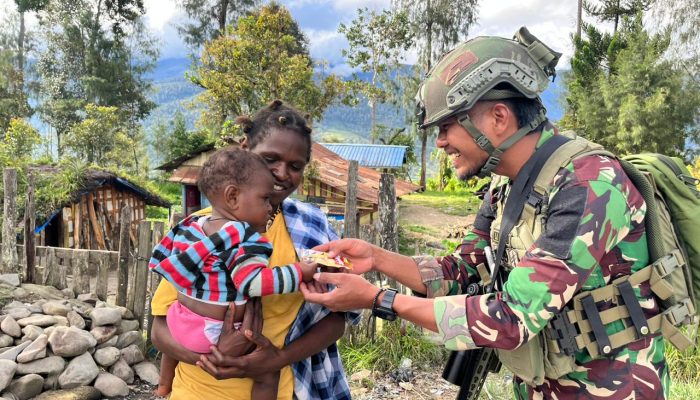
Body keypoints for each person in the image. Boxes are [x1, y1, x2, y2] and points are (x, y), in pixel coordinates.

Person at [301, 27, 669, 399]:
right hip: (541, 386)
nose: (441, 141)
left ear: (498, 117)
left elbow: (511, 319)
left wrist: (377, 299)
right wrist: (376, 259)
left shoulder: (588, 185)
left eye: (447, 126)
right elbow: (461, 272)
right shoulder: (507, 184)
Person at [151, 99, 356, 400]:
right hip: (194, 390)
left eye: (295, 166)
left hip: (278, 388)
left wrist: (276, 359)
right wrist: (217, 358)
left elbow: (339, 317)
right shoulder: (201, 231)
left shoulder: (312, 228)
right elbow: (159, 327)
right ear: (245, 149)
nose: (282, 173)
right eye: (270, 158)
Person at [149, 147, 319, 399]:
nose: (269, 208)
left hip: (179, 324)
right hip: (214, 335)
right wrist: (300, 273)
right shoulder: (242, 237)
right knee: (268, 373)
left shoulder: (191, 227)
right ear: (232, 197)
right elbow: (254, 282)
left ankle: (163, 386)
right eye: (264, 199)